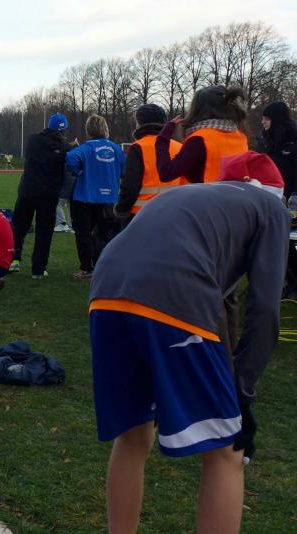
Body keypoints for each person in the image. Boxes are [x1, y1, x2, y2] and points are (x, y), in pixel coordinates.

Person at [89, 150, 288, 533]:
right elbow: (264, 309)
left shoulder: (194, 198)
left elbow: (212, 310)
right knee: (228, 449)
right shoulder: (270, 208)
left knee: (133, 435)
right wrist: (243, 393)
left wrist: (229, 377)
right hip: (173, 290)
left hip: (106, 291)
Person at [9, 112, 71, 277]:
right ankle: (38, 269)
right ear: (62, 130)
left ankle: (13, 260)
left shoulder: (33, 140)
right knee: (44, 233)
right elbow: (63, 153)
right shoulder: (64, 148)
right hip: (48, 196)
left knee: (18, 228)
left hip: (27, 192)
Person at [65, 114, 125, 280]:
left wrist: (77, 171)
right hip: (109, 199)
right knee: (105, 234)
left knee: (83, 233)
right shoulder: (116, 149)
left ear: (88, 130)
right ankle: (103, 266)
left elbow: (71, 158)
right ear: (105, 129)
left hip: (85, 197)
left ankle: (86, 268)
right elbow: (125, 168)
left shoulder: (87, 147)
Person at [156, 85, 248, 185]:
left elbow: (166, 173)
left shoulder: (199, 140)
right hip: (234, 194)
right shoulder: (241, 137)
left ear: (197, 110)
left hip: (201, 195)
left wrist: (162, 138)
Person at [115, 104, 184, 226]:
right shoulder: (180, 147)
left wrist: (121, 210)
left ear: (139, 123)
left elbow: (130, 187)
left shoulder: (138, 147)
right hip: (174, 214)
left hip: (142, 216)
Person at [258, 101, 297, 299]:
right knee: (278, 242)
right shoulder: (267, 141)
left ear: (276, 120)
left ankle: (294, 285)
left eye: (266, 118)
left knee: (290, 242)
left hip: (291, 199)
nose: (263, 122)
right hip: (272, 197)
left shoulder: (292, 141)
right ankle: (283, 282)